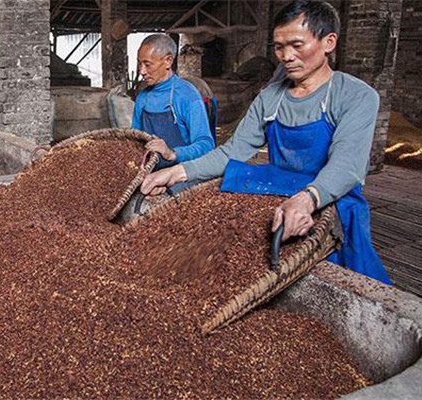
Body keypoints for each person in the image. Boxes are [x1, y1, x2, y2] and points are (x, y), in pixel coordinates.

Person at [140, 0, 391, 284]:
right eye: (279, 47)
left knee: (341, 277)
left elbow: (347, 166)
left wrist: (307, 199)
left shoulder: (356, 96)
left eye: (297, 45)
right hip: (277, 190)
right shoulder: (271, 98)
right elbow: (233, 152)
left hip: (329, 198)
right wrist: (177, 172)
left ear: (328, 42)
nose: (286, 56)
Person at [132, 34, 214, 192]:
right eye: (140, 64)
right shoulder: (142, 97)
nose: (142, 71)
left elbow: (206, 145)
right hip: (151, 171)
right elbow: (135, 140)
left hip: (183, 173)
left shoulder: (187, 95)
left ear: (168, 61)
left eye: (147, 65)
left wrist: (172, 153)